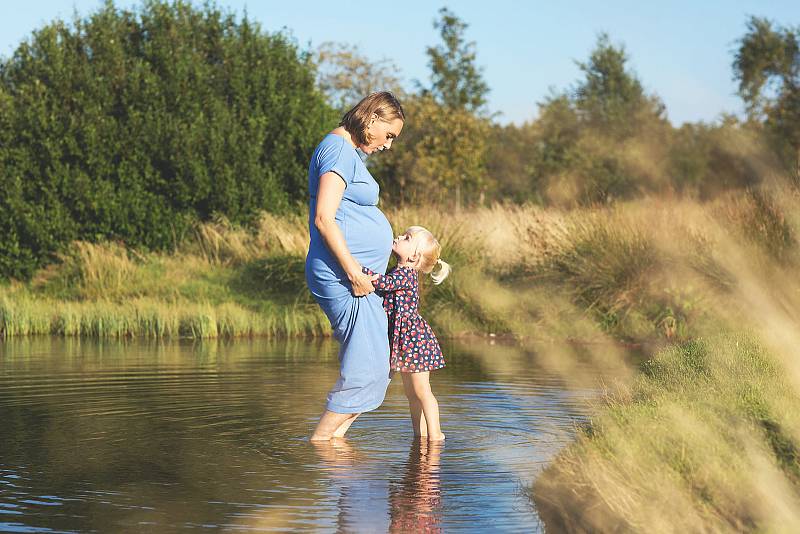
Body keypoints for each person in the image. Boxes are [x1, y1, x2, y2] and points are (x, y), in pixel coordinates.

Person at [305, 92, 404, 441]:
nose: (388, 146)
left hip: (360, 278)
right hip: (345, 277)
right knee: (365, 368)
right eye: (389, 135)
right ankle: (320, 445)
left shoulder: (348, 153)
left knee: (376, 366)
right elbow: (323, 218)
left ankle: (336, 446)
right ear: (373, 118)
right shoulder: (336, 150)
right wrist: (354, 273)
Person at [364, 226, 451, 441]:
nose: (398, 237)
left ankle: (436, 434)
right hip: (404, 341)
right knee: (412, 394)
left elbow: (383, 284)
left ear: (414, 256)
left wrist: (358, 269)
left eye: (406, 237)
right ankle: (419, 435)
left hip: (414, 340)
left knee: (422, 391)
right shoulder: (397, 270)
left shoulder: (405, 274)